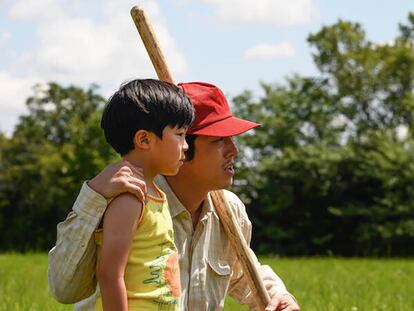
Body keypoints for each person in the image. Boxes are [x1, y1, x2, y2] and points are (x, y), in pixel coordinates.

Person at [48, 82, 300, 311]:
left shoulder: (230, 209)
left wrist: (278, 296)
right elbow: (65, 288)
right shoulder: (128, 196)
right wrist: (92, 197)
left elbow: (242, 272)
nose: (234, 150)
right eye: (219, 140)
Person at [83, 79, 194, 310]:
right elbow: (110, 274)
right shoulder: (129, 199)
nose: (186, 146)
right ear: (144, 139)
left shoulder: (156, 194)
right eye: (180, 134)